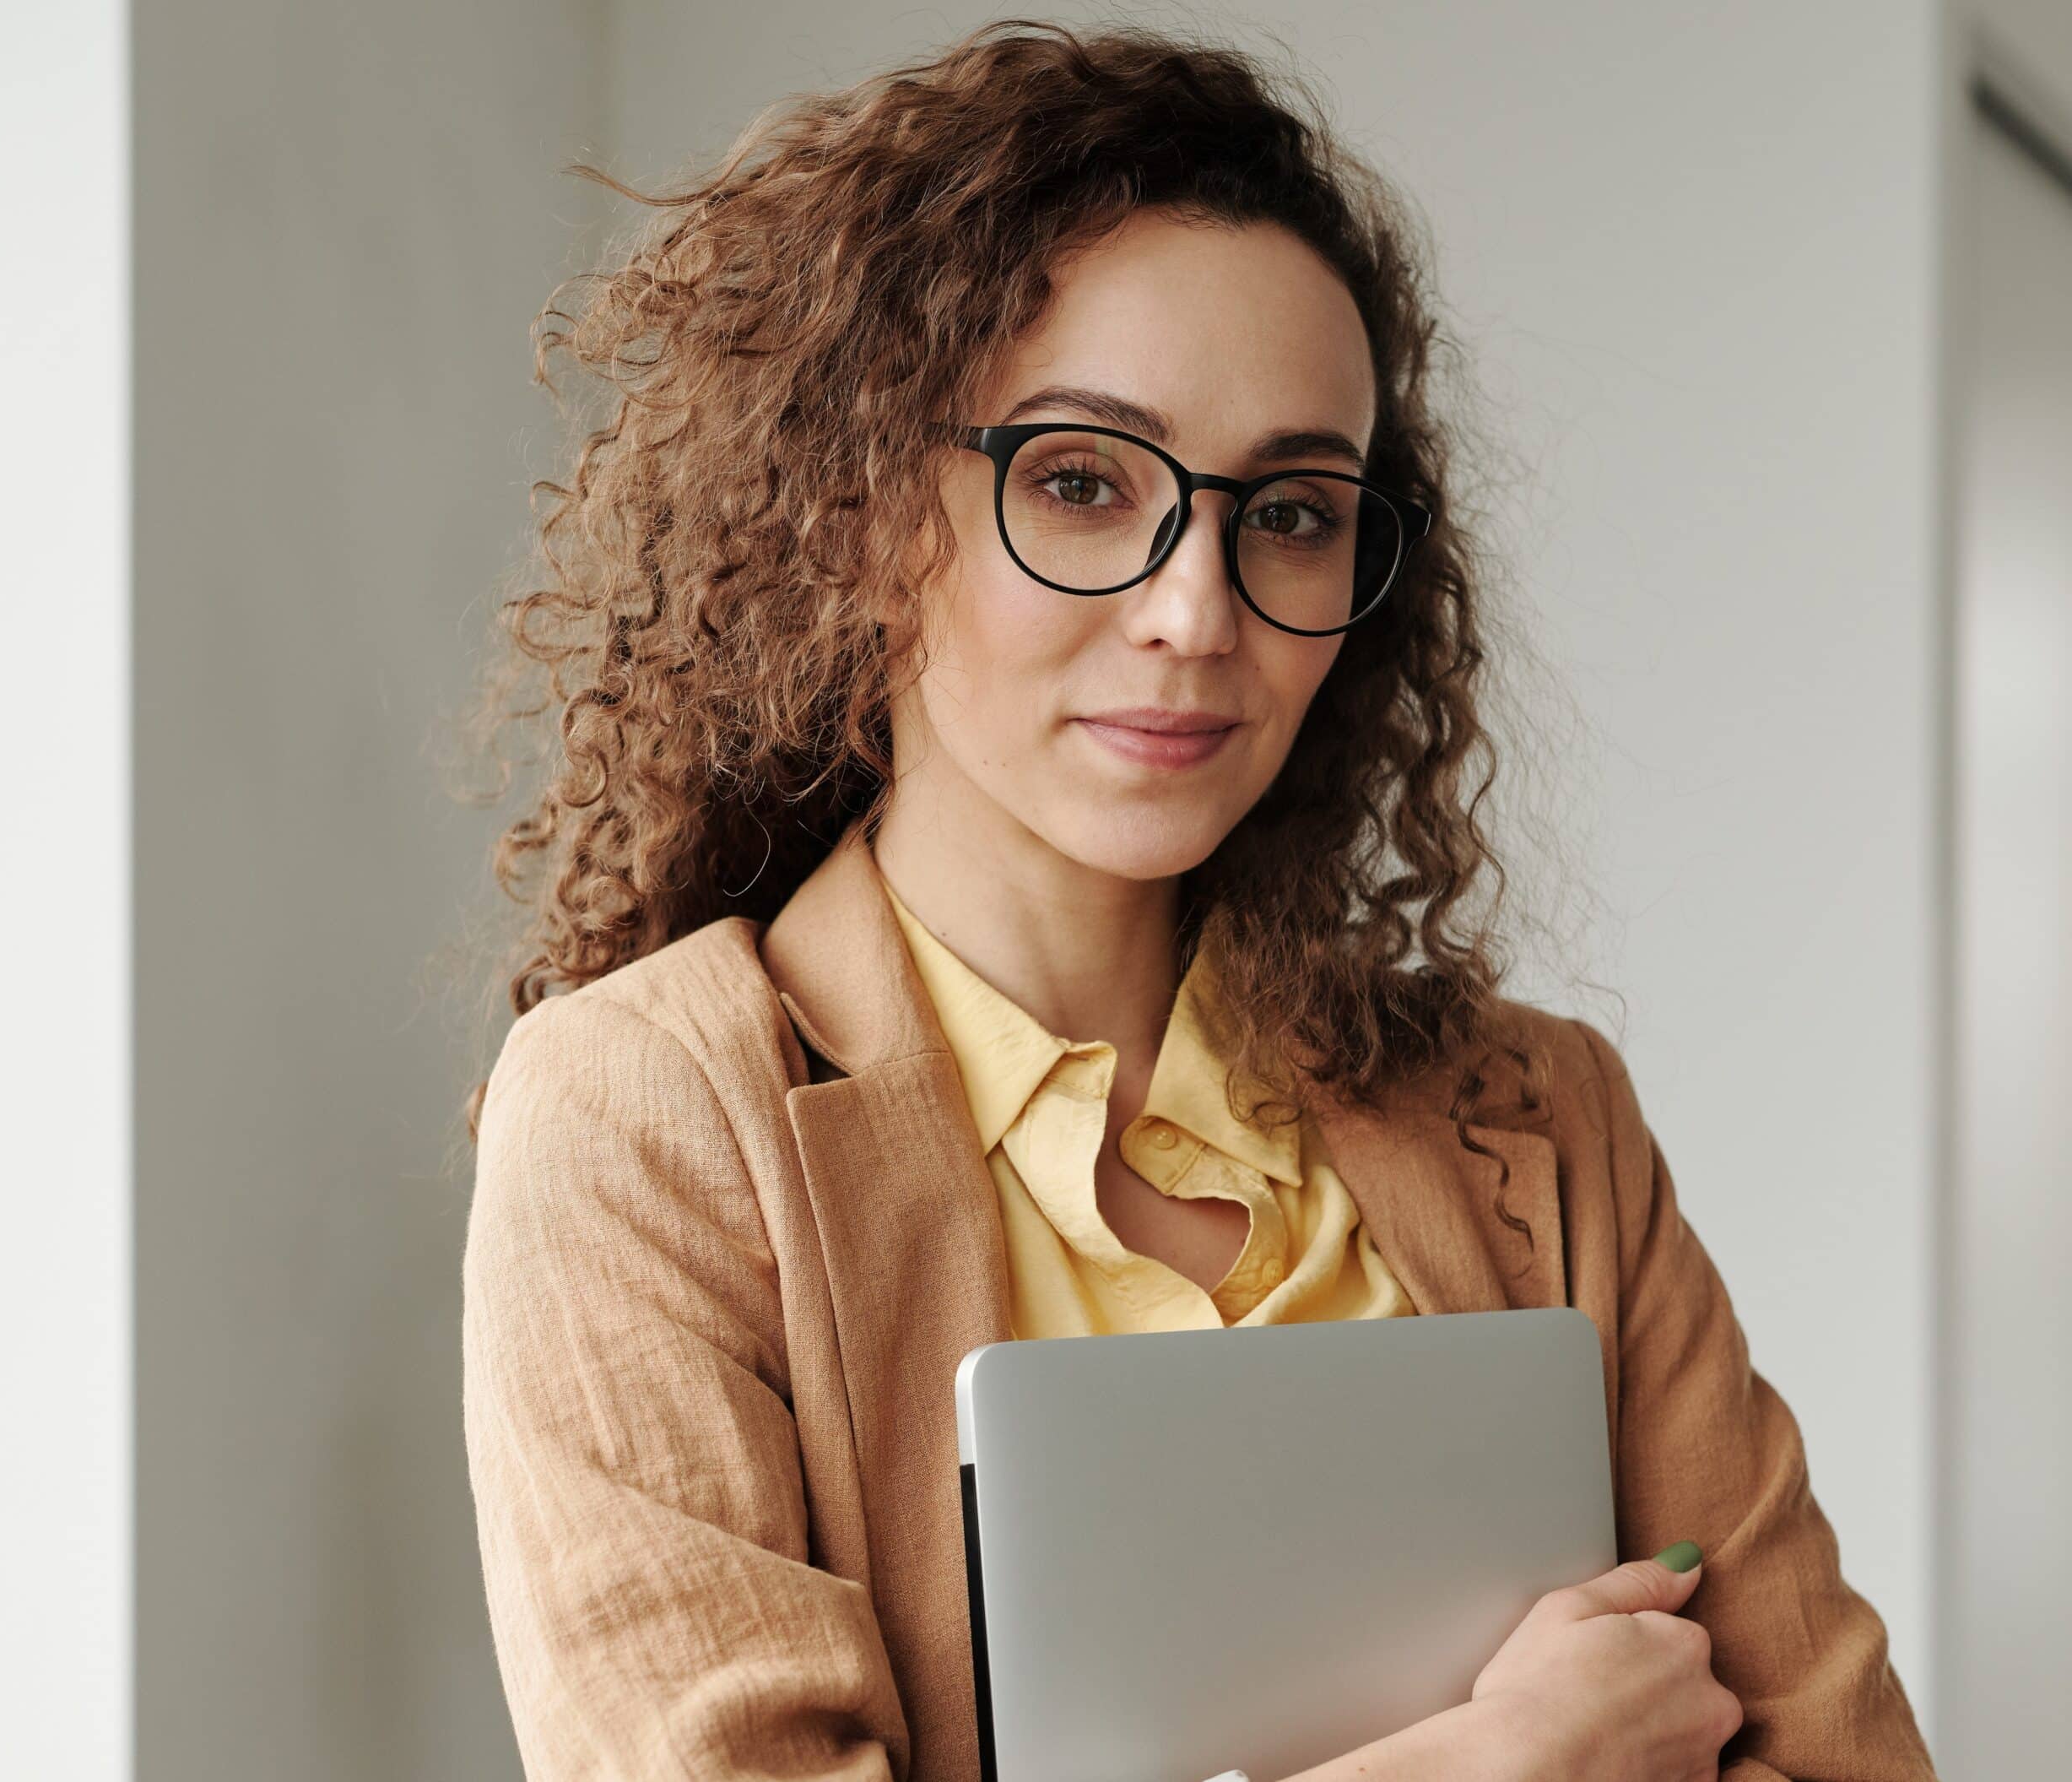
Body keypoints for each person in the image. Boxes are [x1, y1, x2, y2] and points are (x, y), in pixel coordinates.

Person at [455, 19, 1938, 1782]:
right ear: (859, 512)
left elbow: (1843, 1761)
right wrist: (1484, 1767)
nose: (1195, 609)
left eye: (1292, 512)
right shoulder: (651, 1119)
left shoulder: (1540, 1120)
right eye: (1081, 483)